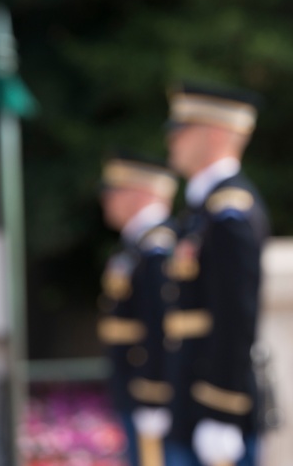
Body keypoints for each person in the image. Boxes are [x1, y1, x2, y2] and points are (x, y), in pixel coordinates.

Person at [161, 82, 271, 466]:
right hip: (190, 402)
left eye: (182, 128)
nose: (171, 139)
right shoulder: (201, 212)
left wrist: (222, 411)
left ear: (215, 134)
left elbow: (236, 318)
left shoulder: (230, 213)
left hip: (213, 408)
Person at [97, 151, 179, 466]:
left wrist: (154, 393)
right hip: (134, 389)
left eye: (116, 191)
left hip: (151, 395)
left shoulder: (157, 248)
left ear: (143, 191)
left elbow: (161, 326)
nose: (108, 201)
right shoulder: (136, 247)